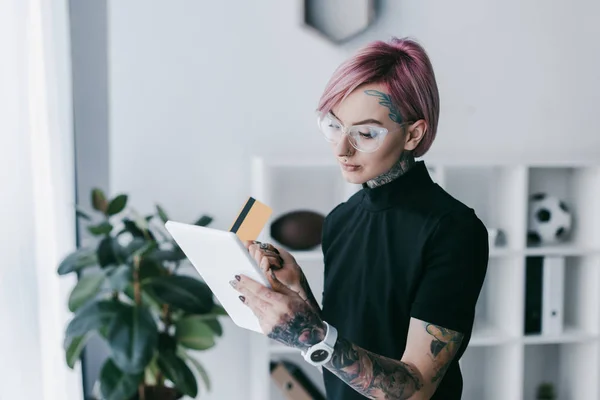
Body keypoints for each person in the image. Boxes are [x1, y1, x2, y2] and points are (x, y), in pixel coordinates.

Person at [230, 37, 489, 400]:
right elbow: (353, 342)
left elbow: (416, 389)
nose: (341, 149)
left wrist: (311, 336)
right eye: (334, 126)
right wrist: (298, 293)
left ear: (413, 133)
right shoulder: (339, 221)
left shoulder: (454, 230)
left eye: (365, 133)